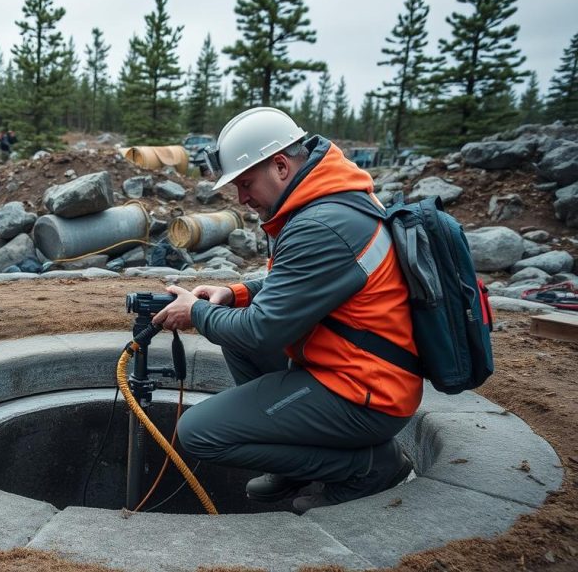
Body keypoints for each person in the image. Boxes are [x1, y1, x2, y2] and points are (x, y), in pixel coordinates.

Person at [151, 107, 419, 514]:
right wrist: (235, 294)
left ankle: (366, 466)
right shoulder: (327, 200)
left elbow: (262, 331)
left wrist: (197, 314)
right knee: (235, 335)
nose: (241, 198)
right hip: (357, 367)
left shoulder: (322, 224)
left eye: (245, 183)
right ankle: (296, 464)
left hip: (368, 395)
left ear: (280, 165)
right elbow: (299, 288)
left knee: (199, 433)